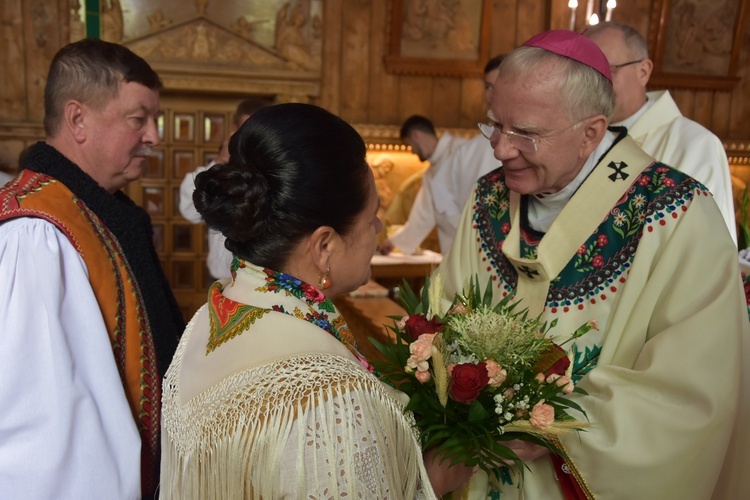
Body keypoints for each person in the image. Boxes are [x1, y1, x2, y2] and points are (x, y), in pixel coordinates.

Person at [438, 30, 749, 499]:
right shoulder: (488, 197)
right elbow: (448, 309)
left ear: (592, 132)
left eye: (526, 133)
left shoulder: (676, 214)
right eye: (495, 126)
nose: (501, 149)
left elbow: (698, 390)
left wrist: (562, 422)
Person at [159, 103, 474, 498]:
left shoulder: (211, 317)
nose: (377, 227)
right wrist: (440, 476)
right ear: (324, 245)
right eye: (372, 216)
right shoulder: (327, 394)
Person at [0, 39, 184, 499]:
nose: (154, 136)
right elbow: (46, 430)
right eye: (138, 119)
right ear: (77, 119)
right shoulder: (37, 235)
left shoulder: (95, 209)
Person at [584, 22, 738, 245]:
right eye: (586, 72)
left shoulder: (697, 145)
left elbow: (706, 247)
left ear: (643, 71)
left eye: (608, 70)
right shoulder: (578, 136)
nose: (593, 85)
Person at [179, 97, 273, 280]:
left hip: (265, 282)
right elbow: (189, 211)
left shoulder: (278, 173)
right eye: (246, 131)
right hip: (222, 280)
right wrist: (222, 160)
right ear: (234, 132)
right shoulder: (219, 174)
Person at [378, 114, 467, 255]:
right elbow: (422, 218)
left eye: (409, 145)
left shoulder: (464, 150)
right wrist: (394, 242)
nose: (412, 150)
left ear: (416, 136)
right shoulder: (430, 174)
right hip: (455, 252)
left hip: (477, 241)